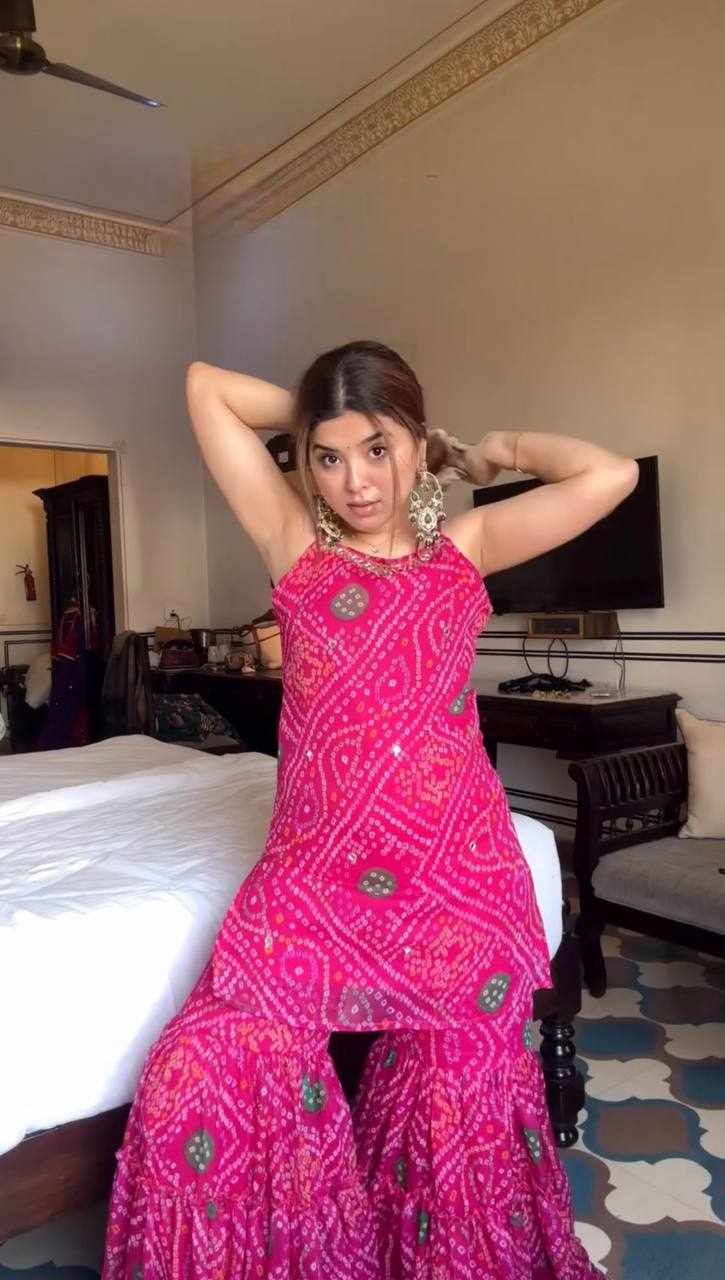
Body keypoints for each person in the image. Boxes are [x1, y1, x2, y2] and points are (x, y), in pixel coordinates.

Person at [102, 340, 637, 1279]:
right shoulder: (294, 546)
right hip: (312, 881)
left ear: (414, 445)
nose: (355, 481)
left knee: (456, 1094)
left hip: (456, 882)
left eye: (378, 450)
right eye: (328, 456)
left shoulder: (464, 549)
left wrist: (491, 451)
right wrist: (324, 409)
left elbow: (610, 474)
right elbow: (203, 387)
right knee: (197, 1065)